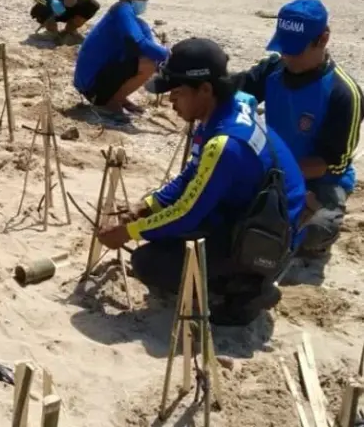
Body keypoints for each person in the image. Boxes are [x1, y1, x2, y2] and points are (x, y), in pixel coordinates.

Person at [98, 37, 307, 326]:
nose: (170, 102)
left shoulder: (226, 143)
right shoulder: (227, 107)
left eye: (177, 93)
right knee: (160, 227)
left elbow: (186, 212)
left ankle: (246, 290)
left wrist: (129, 231)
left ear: (206, 89)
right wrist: (145, 207)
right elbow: (192, 175)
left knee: (149, 263)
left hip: (267, 239)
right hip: (251, 213)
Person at [234, 0, 363, 262]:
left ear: (323, 39)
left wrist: (275, 172)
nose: (287, 55)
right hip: (272, 167)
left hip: (318, 180)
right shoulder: (273, 69)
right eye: (284, 47)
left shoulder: (343, 93)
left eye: (296, 49)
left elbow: (331, 164)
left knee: (317, 230)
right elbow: (234, 93)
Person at [73, 0, 169, 122]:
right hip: (91, 84)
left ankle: (117, 97)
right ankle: (108, 103)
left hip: (98, 80)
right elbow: (141, 44)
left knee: (148, 58)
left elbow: (149, 48)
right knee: (147, 64)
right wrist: (169, 56)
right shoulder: (121, 10)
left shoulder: (135, 21)